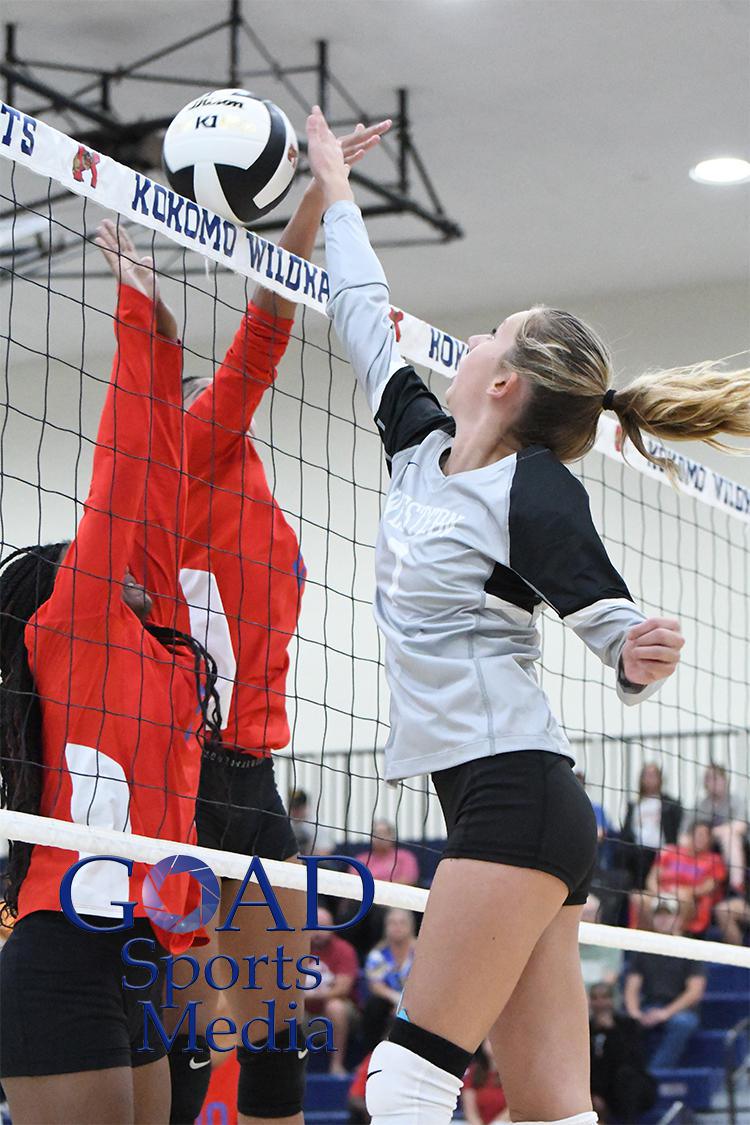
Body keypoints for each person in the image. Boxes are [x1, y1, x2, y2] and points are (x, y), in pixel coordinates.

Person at [307, 100, 750, 1124]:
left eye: (492, 332)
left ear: (501, 381)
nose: (467, 336)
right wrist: (333, 184)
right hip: (496, 800)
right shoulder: (421, 450)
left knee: (403, 1082)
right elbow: (364, 309)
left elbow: (612, 633)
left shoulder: (534, 489)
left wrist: (644, 651)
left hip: (517, 795)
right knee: (555, 1113)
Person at [164, 119, 391, 1125]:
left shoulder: (174, 466)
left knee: (250, 1026)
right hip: (206, 778)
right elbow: (265, 325)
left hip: (222, 777)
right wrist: (319, 194)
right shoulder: (188, 444)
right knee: (219, 1028)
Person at [0, 223, 222, 1125]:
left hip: (140, 954)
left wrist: (167, 344)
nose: (129, 561)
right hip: (60, 959)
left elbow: (158, 494)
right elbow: (121, 481)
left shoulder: (156, 641)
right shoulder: (77, 626)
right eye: (98, 559)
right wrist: (134, 320)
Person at [624, 905, 706, 1070]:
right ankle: (629, 1072)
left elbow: (694, 991)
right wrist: (635, 1014)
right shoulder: (644, 948)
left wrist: (665, 1013)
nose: (663, 919)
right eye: (659, 915)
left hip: (680, 1011)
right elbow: (631, 987)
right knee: (625, 1023)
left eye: (668, 915)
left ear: (678, 919)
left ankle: (654, 1074)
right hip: (650, 1006)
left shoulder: (689, 948)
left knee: (682, 1023)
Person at [631, 821, 726, 935]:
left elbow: (708, 887)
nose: (701, 838)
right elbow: (652, 879)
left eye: (704, 835)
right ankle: (644, 937)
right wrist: (661, 893)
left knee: (683, 897)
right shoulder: (670, 851)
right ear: (690, 835)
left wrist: (681, 892)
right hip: (661, 895)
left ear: (710, 839)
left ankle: (676, 935)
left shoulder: (714, 860)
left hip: (690, 901)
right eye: (698, 834)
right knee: (637, 897)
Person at [588, 982, 656, 1124]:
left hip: (628, 1087)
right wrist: (593, 1093)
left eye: (604, 997)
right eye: (595, 998)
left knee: (626, 1076)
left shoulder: (628, 1026)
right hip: (598, 1088)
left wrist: (610, 1030)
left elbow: (633, 1060)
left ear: (613, 1000)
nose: (600, 1003)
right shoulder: (585, 1029)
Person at [306, 906, 361, 1076]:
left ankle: (336, 1065)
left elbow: (342, 988)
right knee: (284, 1007)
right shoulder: (296, 948)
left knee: (335, 1006)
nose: (319, 932)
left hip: (340, 1011)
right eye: (315, 926)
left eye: (324, 927)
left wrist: (312, 995)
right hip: (304, 1010)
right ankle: (287, 1067)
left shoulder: (344, 949)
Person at [682, 763, 748, 894]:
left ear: (725, 780)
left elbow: (741, 826)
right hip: (704, 845)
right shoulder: (699, 805)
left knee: (730, 837)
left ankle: (737, 886)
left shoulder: (735, 801)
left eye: (717, 778)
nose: (713, 782)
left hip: (730, 844)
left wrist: (712, 832)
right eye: (709, 778)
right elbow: (684, 835)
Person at [362, 909, 417, 1050]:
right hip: (389, 1001)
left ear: (411, 926)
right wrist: (397, 1000)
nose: (397, 927)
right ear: (386, 927)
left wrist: (405, 1003)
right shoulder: (378, 954)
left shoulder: (421, 952)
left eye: (402, 923)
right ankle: (372, 1053)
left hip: (417, 1001)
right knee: (374, 1004)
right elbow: (376, 986)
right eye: (392, 923)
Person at [621, 763, 682, 889]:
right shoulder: (634, 805)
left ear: (660, 779)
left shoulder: (670, 804)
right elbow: (626, 833)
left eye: (653, 775)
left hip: (662, 854)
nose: (649, 779)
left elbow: (677, 830)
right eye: (646, 775)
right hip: (638, 855)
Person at [354, 821, 419, 886]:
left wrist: (378, 885)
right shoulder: (361, 859)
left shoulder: (405, 856)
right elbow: (354, 881)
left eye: (384, 833)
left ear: (392, 836)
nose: (380, 837)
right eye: (376, 834)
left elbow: (409, 879)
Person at [461, 1041, 509, 1124]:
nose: (493, 1043)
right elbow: (470, 1111)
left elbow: (514, 1109)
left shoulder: (513, 1075)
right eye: (489, 1039)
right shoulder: (472, 1074)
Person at [289, 789, 335, 855]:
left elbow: (326, 852)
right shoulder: (286, 824)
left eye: (298, 808)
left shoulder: (317, 826)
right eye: (292, 807)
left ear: (304, 807)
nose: (295, 811)